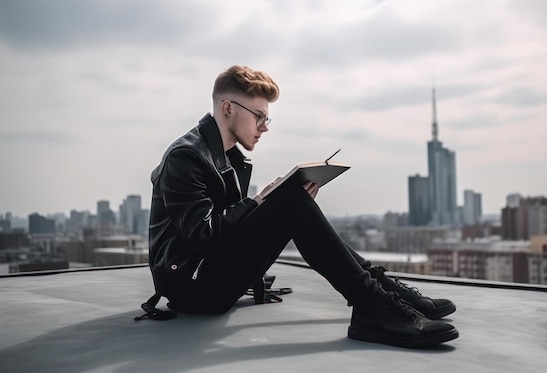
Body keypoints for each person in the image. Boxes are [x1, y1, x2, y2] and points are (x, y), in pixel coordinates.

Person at [146, 65, 459, 349]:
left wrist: (267, 207)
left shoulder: (230, 158)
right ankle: (374, 307)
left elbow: (229, 235)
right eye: (259, 116)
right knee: (289, 200)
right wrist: (256, 203)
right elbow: (201, 236)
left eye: (266, 118)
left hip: (209, 277)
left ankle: (385, 293)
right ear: (227, 108)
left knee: (291, 198)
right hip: (193, 289)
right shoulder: (185, 156)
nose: (264, 126)